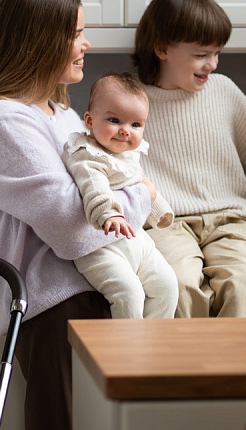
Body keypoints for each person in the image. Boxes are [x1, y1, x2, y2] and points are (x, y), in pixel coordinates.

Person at [0, 0, 153, 430]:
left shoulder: (62, 115)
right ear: (40, 40)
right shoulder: (7, 121)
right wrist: (144, 196)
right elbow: (72, 229)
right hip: (57, 308)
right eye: (76, 33)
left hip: (95, 292)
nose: (86, 44)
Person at [132, 0, 246, 319]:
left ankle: (240, 358)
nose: (212, 64)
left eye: (217, 53)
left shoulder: (224, 92)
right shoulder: (132, 102)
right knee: (177, 283)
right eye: (201, 54)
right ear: (162, 48)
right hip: (166, 223)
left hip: (230, 222)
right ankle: (188, 357)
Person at [62, 71, 178, 319]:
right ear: (89, 120)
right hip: (100, 246)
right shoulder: (87, 154)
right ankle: (128, 343)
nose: (125, 131)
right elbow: (94, 187)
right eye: (115, 120)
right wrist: (109, 213)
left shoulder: (128, 153)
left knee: (168, 286)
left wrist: (159, 210)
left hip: (137, 241)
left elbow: (141, 181)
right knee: (129, 293)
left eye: (135, 125)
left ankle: (154, 339)